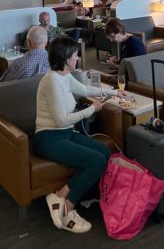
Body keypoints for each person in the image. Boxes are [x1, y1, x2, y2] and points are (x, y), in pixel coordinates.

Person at [34, 37, 115, 234]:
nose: (78, 58)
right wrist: (91, 110)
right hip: (48, 138)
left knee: (104, 152)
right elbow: (61, 120)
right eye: (75, 55)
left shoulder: (64, 75)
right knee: (96, 161)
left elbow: (84, 89)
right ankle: (67, 207)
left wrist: (110, 92)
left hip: (65, 134)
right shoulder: (52, 81)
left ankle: (60, 195)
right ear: (65, 58)